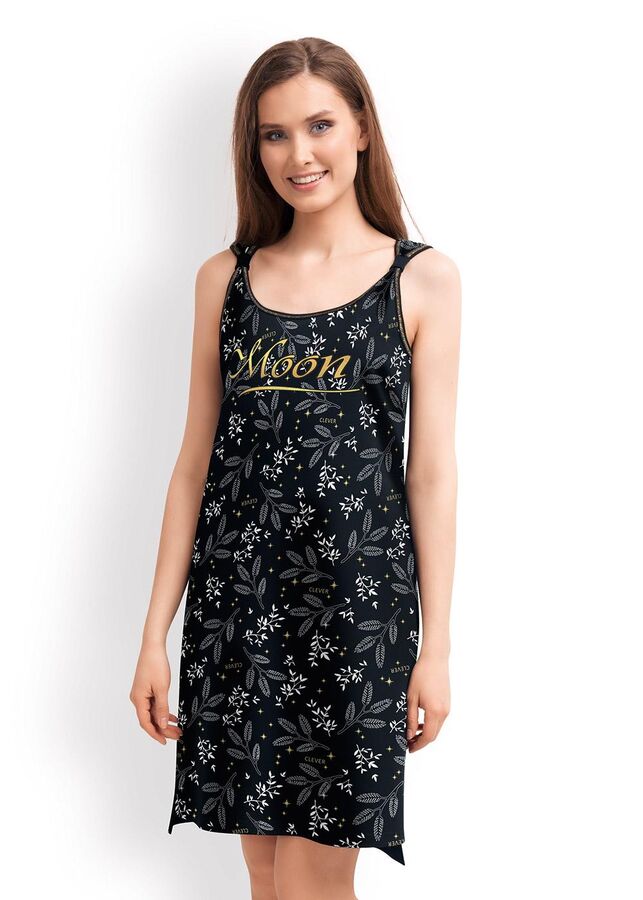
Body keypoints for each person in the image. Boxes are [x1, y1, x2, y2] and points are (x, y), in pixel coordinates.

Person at [130, 36, 460, 900]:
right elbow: (194, 467)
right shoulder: (225, 280)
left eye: (319, 125)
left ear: (361, 129)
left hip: (355, 614)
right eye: (273, 134)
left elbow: (429, 475)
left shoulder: (421, 280)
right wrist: (154, 636)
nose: (298, 154)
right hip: (239, 611)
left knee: (315, 880)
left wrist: (433, 648)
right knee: (268, 875)